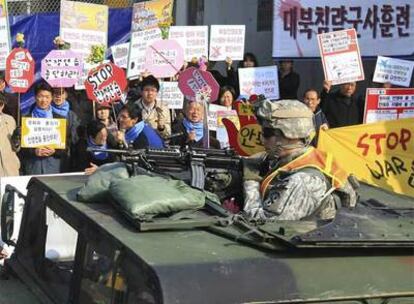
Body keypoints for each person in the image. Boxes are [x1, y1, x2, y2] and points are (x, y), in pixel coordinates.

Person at [243, 98, 358, 221]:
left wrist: (251, 183)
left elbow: (261, 224)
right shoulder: (300, 157)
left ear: (290, 135)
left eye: (267, 133)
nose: (262, 140)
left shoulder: (302, 181)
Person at [18, 82, 68, 175]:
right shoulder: (26, 119)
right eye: (41, 96)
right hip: (32, 166)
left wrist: (55, 151)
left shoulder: (59, 119)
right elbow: (20, 148)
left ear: (52, 97)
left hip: (53, 166)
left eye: (47, 97)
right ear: (35, 97)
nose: (44, 100)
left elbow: (67, 146)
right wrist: (34, 151)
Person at [0, 93, 20, 176]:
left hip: (10, 170)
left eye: (0, 104)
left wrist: (16, 140)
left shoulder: (10, 120)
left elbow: (15, 149)